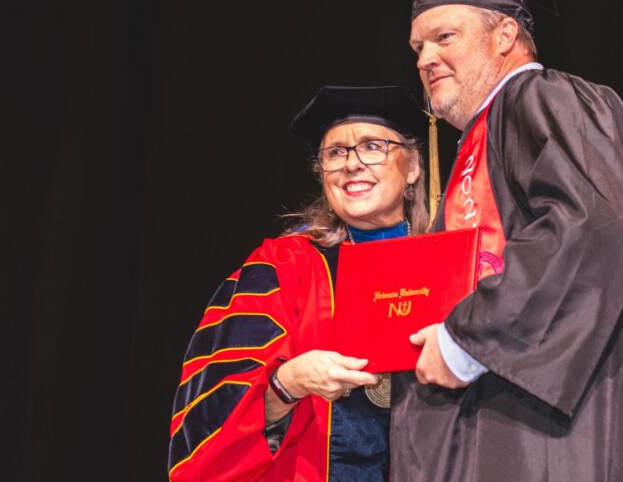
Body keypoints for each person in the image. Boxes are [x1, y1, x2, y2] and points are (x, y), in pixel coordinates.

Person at [389, 0, 623, 481]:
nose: (425, 59)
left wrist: (466, 339)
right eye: (418, 47)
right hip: (493, 421)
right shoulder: (483, 141)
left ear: (505, 34)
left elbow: (590, 229)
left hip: (539, 431)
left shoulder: (548, 100)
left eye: (445, 37)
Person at [168, 85, 429, 481]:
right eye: (335, 153)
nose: (351, 164)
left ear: (412, 167)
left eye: (373, 146)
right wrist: (287, 383)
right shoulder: (283, 267)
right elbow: (209, 428)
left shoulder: (452, 260)